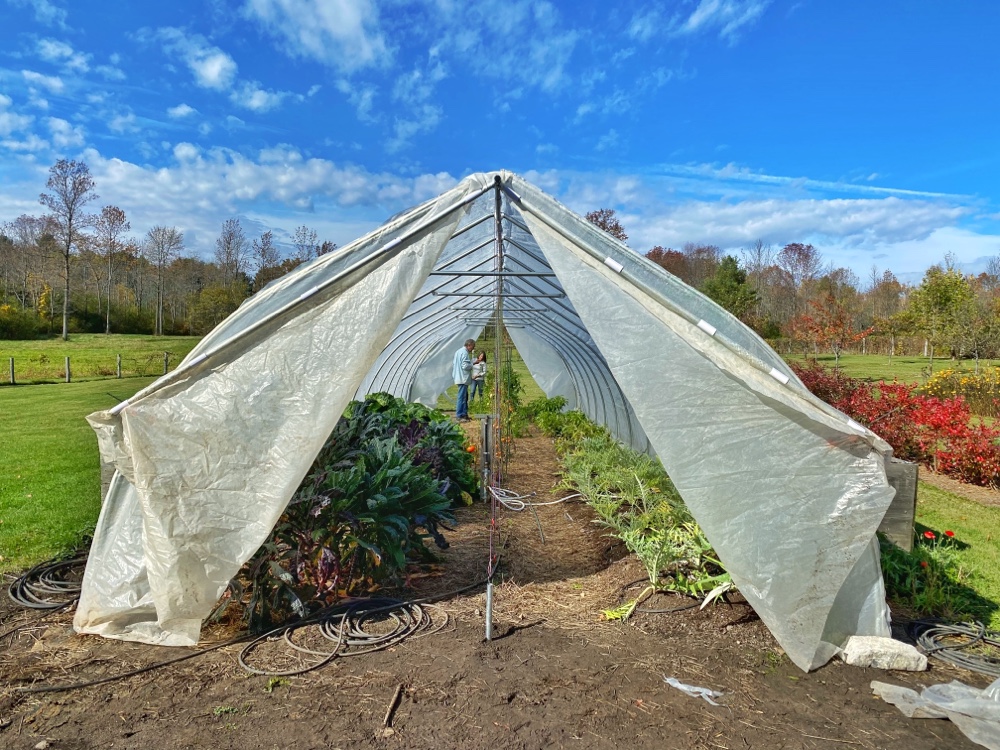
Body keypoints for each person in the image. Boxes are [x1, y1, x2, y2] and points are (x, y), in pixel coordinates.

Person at [452, 338, 475, 421]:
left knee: (464, 396)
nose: (472, 349)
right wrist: (472, 364)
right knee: (461, 397)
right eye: (472, 347)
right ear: (469, 345)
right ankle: (459, 415)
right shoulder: (464, 353)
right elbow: (465, 366)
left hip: (459, 376)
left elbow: (455, 364)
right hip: (462, 378)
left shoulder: (458, 352)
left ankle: (464, 414)